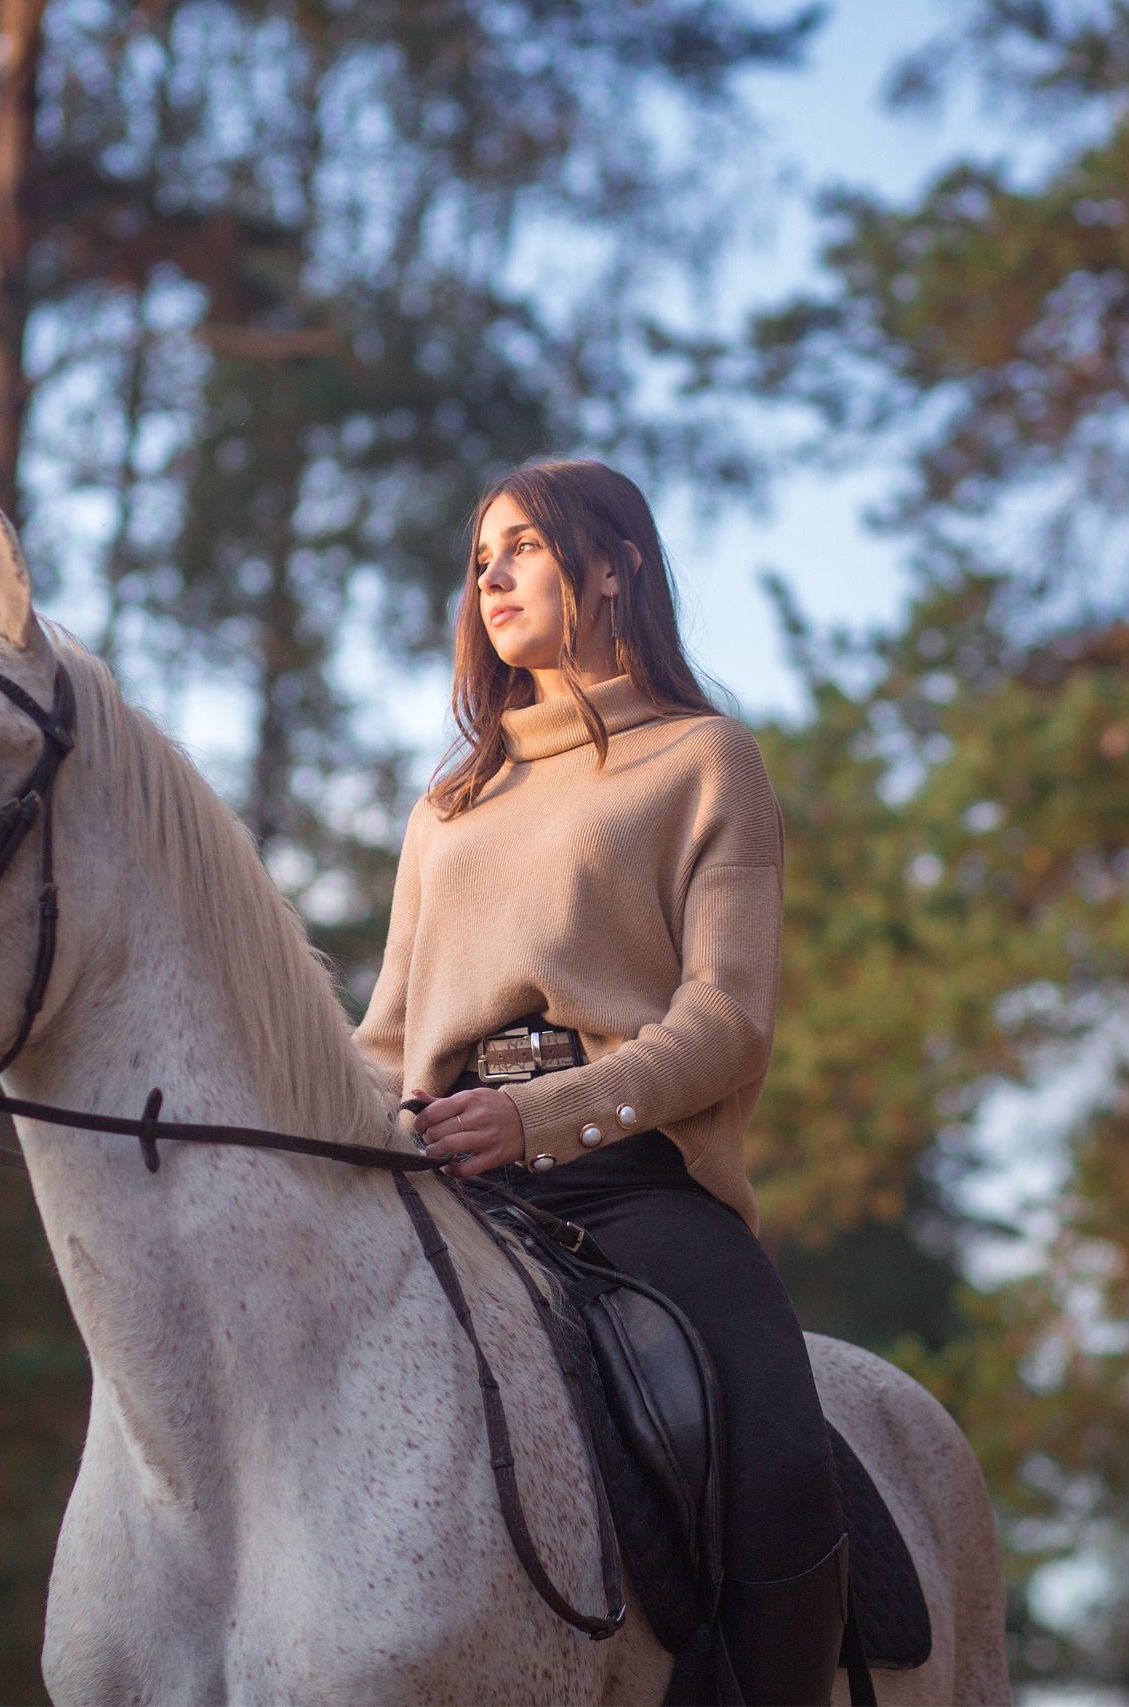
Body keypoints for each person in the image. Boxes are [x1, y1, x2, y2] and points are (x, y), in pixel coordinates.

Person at [358, 458, 848, 1703]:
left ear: (614, 566)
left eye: (521, 547)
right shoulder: (449, 802)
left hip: (634, 1184)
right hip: (438, 1177)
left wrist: (539, 1117)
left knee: (787, 1461)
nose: (493, 577)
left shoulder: (703, 760)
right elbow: (385, 1035)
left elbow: (728, 1020)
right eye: (481, 560)